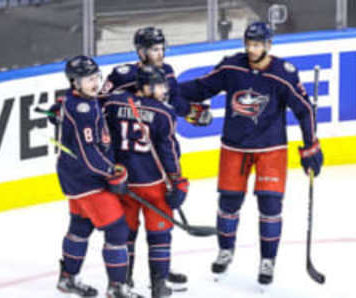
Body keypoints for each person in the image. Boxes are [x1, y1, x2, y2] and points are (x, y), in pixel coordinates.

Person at [179, 22, 324, 285]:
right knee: (228, 203)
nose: (251, 49)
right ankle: (225, 250)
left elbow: (304, 110)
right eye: (248, 44)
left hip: (271, 150)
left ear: (268, 45)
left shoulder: (283, 73)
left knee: (270, 206)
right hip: (234, 147)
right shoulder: (232, 66)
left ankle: (267, 260)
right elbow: (202, 87)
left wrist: (311, 145)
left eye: (257, 44)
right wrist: (169, 90)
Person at [101, 26, 210, 290]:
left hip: (153, 149)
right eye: (153, 50)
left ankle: (156, 270)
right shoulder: (123, 75)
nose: (159, 54)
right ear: (141, 51)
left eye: (162, 48)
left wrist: (193, 113)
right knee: (145, 226)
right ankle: (142, 276)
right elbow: (99, 103)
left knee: (150, 227)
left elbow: (172, 101)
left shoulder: (167, 72)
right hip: (138, 161)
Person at [55, 55, 143, 298]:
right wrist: (111, 172)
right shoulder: (82, 109)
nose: (94, 83)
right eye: (88, 79)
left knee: (81, 226)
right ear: (75, 82)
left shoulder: (80, 98)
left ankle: (68, 279)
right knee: (117, 230)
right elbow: (87, 151)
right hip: (87, 179)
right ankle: (117, 288)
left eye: (96, 77)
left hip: (74, 178)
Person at [103, 65, 189, 298]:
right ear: (145, 87)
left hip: (123, 183)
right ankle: (159, 285)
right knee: (159, 236)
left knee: (125, 235)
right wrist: (178, 180)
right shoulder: (164, 113)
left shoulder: (113, 103)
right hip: (152, 184)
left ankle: (124, 281)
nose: (164, 90)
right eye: (160, 85)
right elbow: (168, 151)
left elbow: (103, 136)